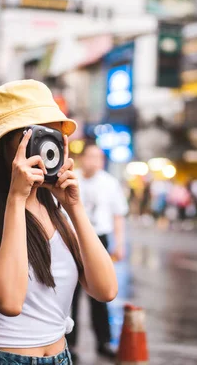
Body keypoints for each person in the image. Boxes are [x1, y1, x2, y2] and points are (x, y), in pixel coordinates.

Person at [0, 80, 117, 365]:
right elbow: (10, 301)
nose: (45, 146)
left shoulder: (58, 213)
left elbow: (105, 289)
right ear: (1, 147)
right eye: (33, 134)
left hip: (60, 357)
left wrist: (74, 207)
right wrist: (16, 198)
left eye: (51, 134)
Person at [67, 143, 128, 360]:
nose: (95, 161)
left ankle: (103, 341)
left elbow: (118, 215)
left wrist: (119, 244)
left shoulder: (110, 183)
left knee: (100, 294)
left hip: (99, 239)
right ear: (83, 158)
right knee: (68, 293)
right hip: (72, 239)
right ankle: (69, 344)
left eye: (99, 157)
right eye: (91, 156)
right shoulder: (70, 177)